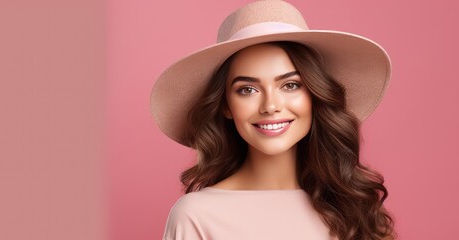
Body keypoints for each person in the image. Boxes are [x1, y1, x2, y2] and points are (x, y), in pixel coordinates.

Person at [151, 1, 394, 239]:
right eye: (247, 89)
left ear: (314, 95)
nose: (270, 106)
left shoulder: (353, 208)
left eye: (290, 85)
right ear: (226, 105)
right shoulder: (196, 217)